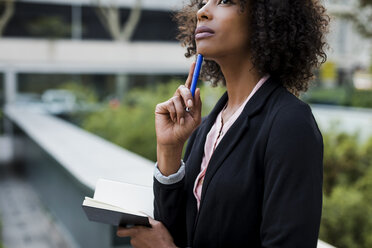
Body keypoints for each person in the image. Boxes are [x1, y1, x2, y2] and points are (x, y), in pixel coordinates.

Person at [117, 0, 330, 247]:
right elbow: (175, 233)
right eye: (203, 2)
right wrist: (169, 149)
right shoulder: (205, 128)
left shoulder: (289, 124)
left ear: (265, 18)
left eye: (225, 1)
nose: (202, 11)